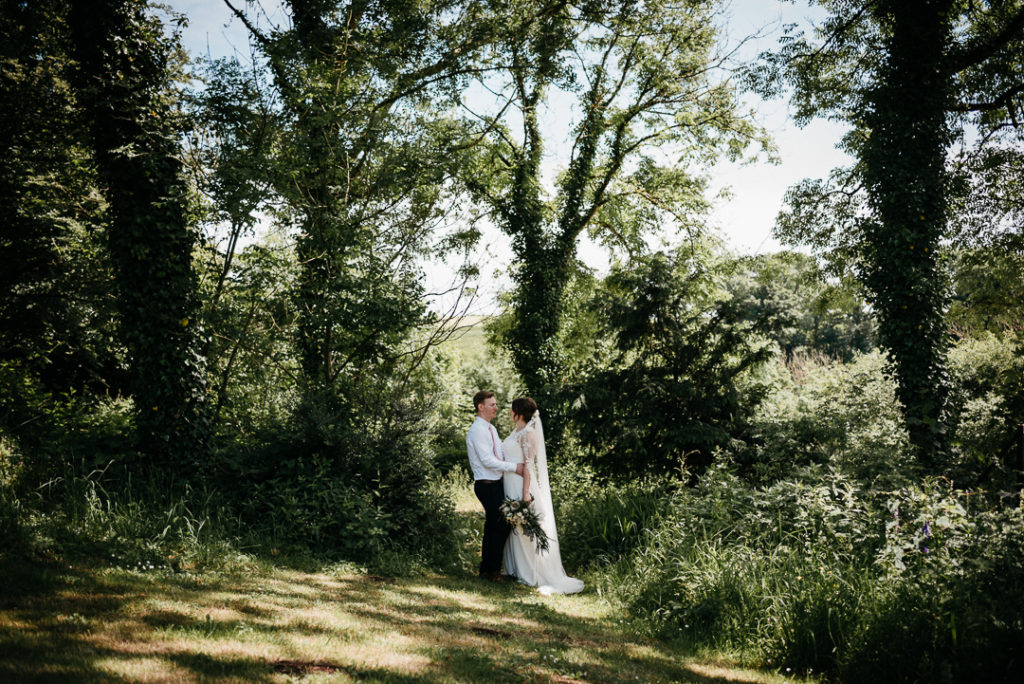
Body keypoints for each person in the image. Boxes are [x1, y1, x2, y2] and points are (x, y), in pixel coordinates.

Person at [502, 397, 584, 595]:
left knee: (525, 528)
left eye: (512, 410)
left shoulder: (528, 434)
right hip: (510, 482)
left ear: (519, 413)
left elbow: (529, 465)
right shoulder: (516, 432)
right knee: (514, 527)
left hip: (522, 485)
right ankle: (514, 569)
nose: (510, 413)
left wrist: (525, 493)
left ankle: (532, 572)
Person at [466, 390, 526, 581]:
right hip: (486, 484)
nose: (496, 407)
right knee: (501, 524)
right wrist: (514, 467)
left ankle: (487, 570)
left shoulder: (491, 429)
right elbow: (487, 460)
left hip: (496, 484)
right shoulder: (477, 430)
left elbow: (500, 450)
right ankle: (492, 571)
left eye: (495, 404)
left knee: (494, 525)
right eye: (492, 404)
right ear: (480, 407)